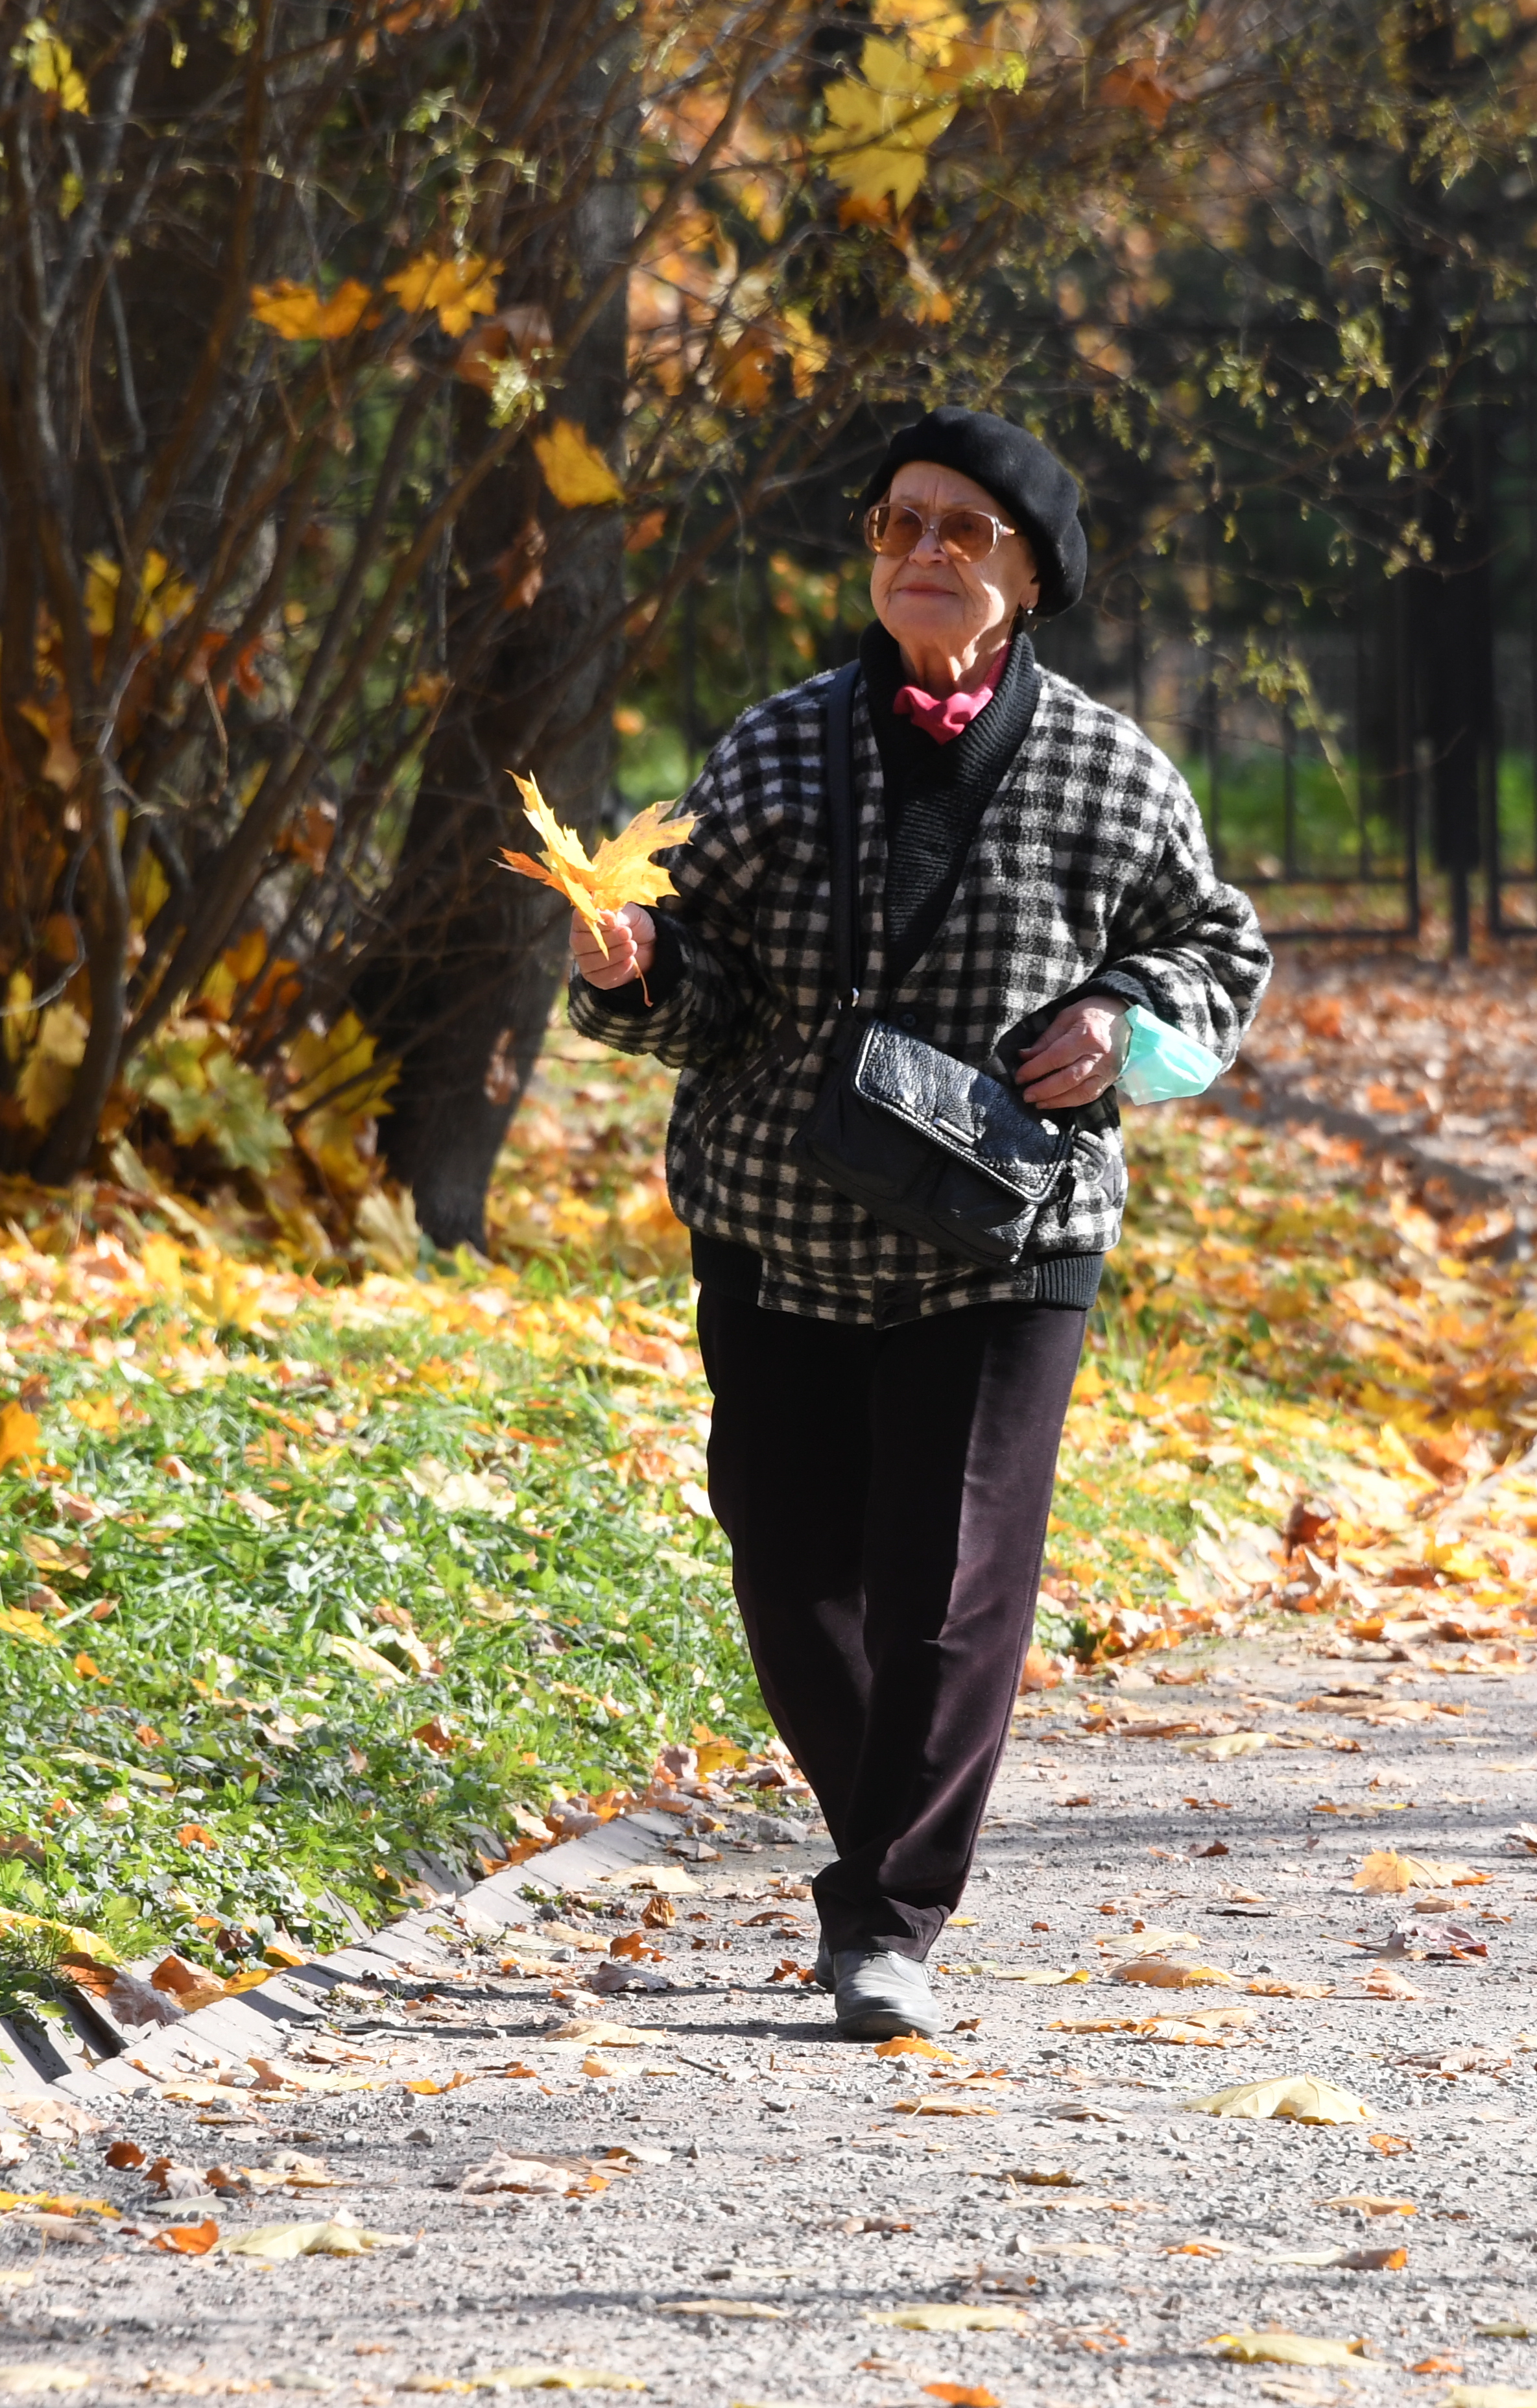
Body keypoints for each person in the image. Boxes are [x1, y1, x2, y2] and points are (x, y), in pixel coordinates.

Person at [567, 405, 1270, 2039]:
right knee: (791, 1560)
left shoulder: (1108, 770)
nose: (924, 552)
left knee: (948, 1586)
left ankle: (887, 1918)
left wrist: (1119, 1021)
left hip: (1002, 1238)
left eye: (962, 528)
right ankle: (890, 1823)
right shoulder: (776, 744)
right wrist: (642, 971)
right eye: (897, 525)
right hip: (778, 1223)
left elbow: (1215, 952)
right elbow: (709, 984)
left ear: (1029, 573)